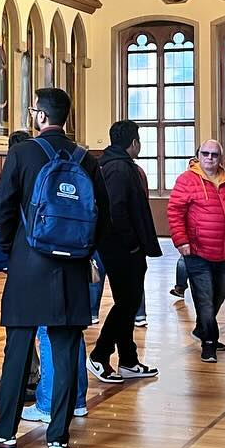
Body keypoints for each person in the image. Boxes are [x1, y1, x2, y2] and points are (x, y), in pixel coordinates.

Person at [0, 88, 107, 448]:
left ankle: (5, 435)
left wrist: (11, 251)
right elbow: (103, 217)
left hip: (28, 265)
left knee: (18, 351)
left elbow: (1, 209)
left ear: (41, 116)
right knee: (64, 353)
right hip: (72, 269)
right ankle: (58, 440)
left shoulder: (23, 153)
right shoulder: (85, 159)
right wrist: (81, 251)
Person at [88, 120, 162, 382]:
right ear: (133, 143)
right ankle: (99, 355)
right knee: (126, 303)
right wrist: (132, 244)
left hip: (119, 246)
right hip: (121, 247)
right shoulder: (119, 167)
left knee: (127, 304)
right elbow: (117, 210)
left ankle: (128, 360)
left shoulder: (112, 163)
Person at [168, 140, 225, 362]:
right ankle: (209, 341)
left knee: (220, 291)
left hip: (223, 252)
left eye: (214, 154)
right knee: (204, 296)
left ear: (221, 158)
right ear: (199, 155)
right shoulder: (186, 180)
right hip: (197, 250)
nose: (210, 158)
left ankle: (202, 328)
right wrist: (181, 240)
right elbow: (175, 212)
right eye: (205, 153)